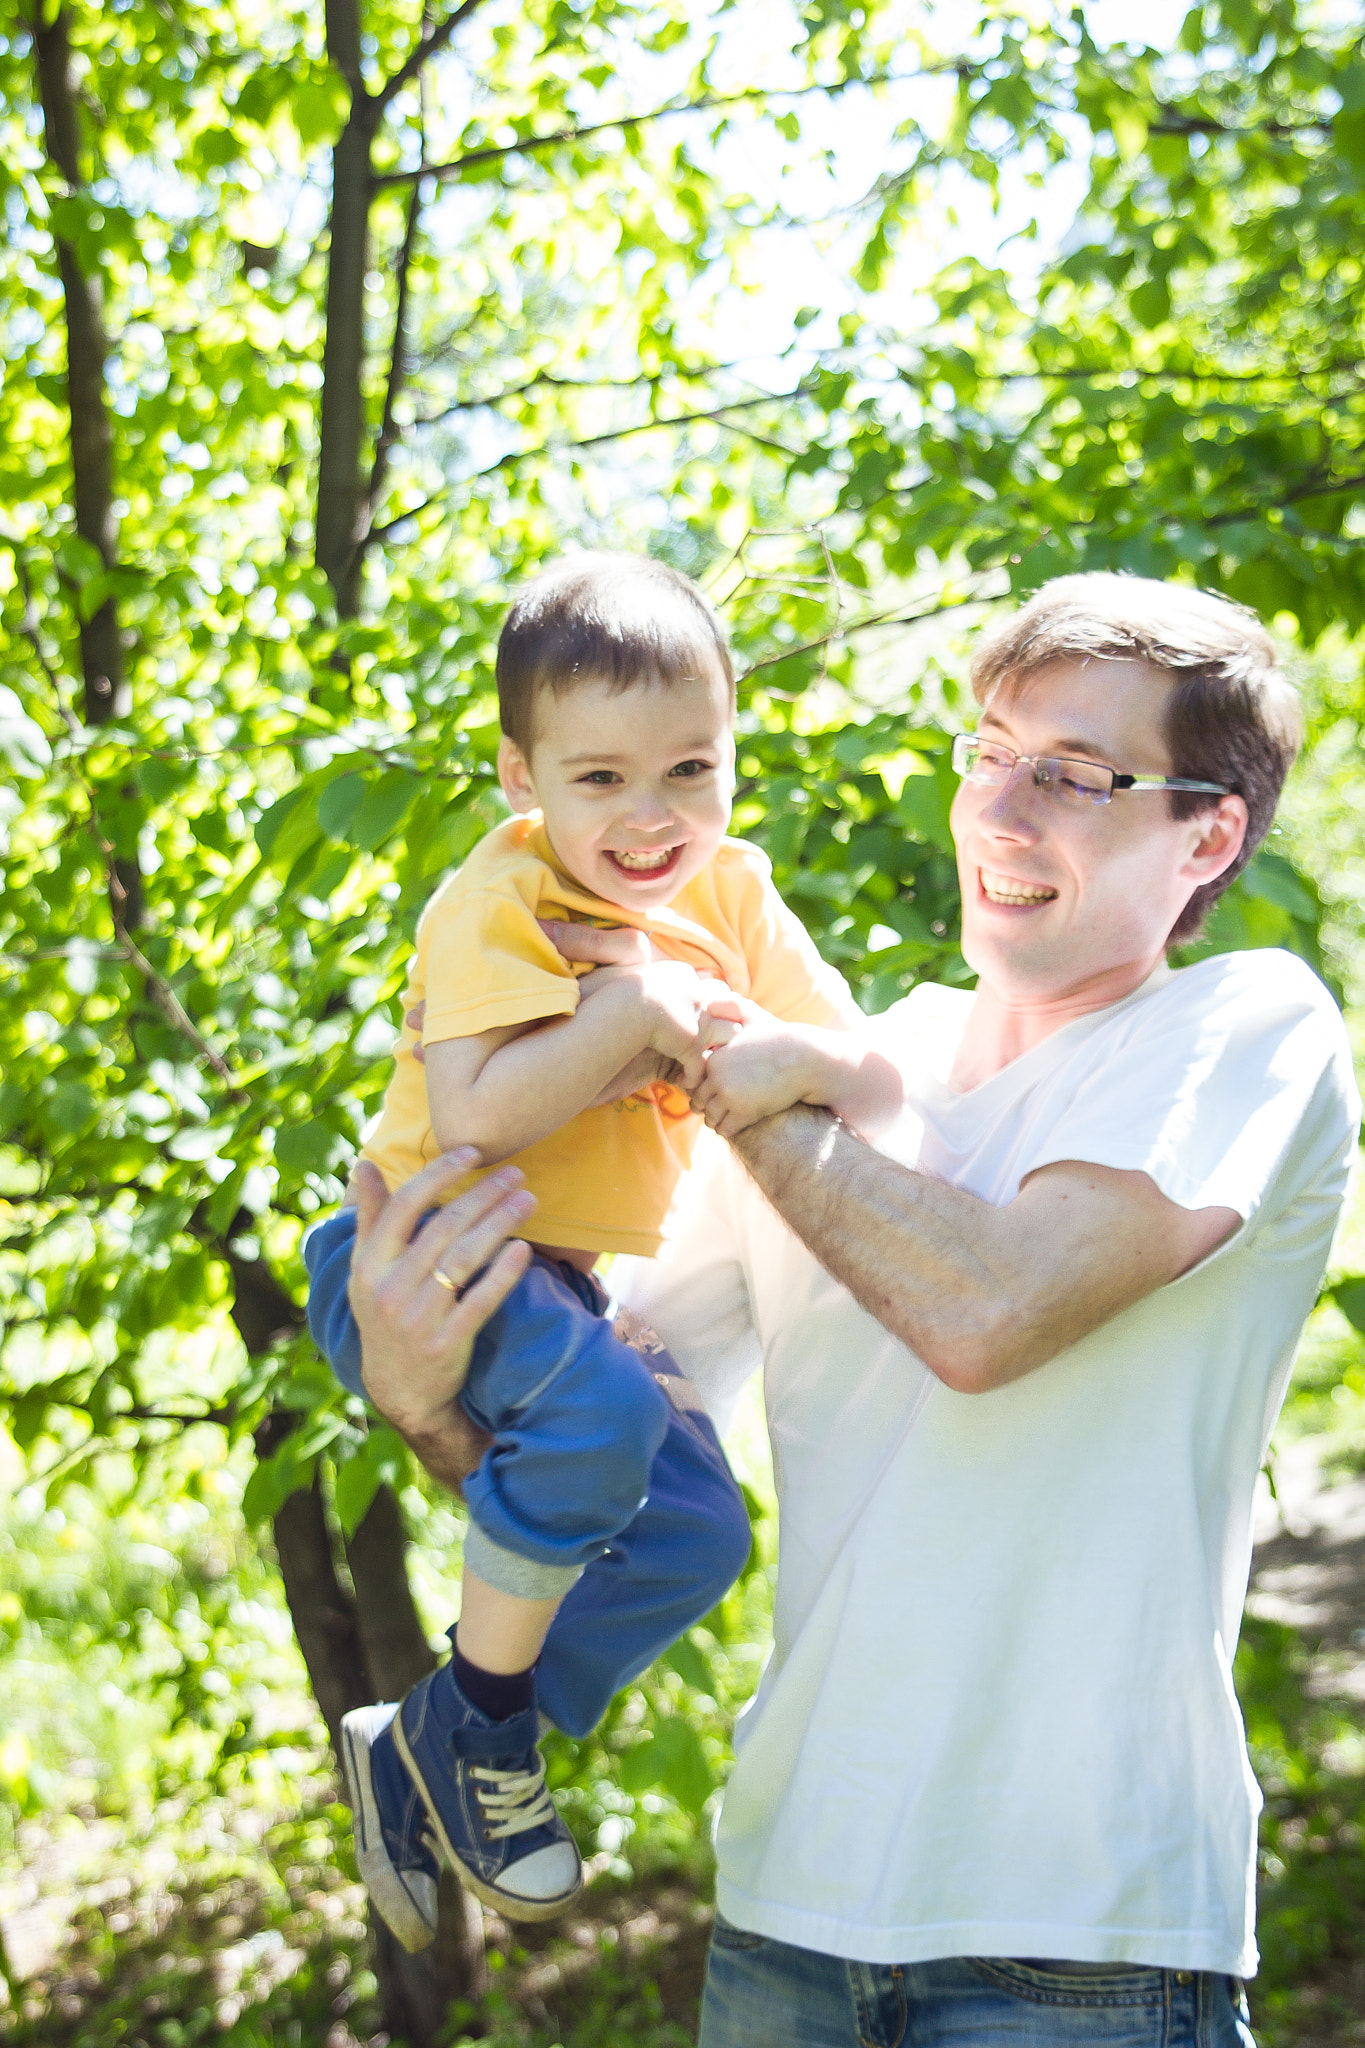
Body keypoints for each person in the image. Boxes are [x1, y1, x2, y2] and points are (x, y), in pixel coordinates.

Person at [536, 574, 1355, 2044]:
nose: (999, 810)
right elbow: (597, 1420)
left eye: (1074, 775)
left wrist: (730, 1075)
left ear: (1208, 834)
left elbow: (987, 1307)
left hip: (1084, 1940)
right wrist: (422, 1359)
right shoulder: (853, 1056)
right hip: (782, 1920)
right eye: (987, 752)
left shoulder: (1245, 1027)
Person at [303, 554, 889, 1949]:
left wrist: (754, 1030)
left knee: (695, 1535)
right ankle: (489, 1735)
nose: (651, 819)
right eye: (601, 779)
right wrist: (639, 1013)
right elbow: (479, 1111)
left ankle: (445, 1732)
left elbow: (868, 1072)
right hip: (421, 1250)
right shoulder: (493, 899)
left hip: (555, 1289)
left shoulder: (730, 897)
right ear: (521, 777)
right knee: (610, 1416)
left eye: (690, 769)